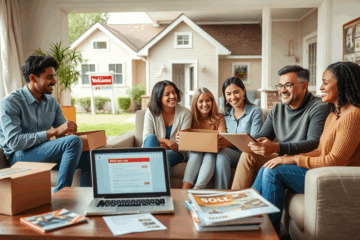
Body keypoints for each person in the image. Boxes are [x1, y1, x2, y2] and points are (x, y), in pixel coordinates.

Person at [252, 61, 360, 232]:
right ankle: (247, 215)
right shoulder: (334, 115)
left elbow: (335, 160)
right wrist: (288, 159)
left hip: (336, 179)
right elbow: (320, 150)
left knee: (274, 171)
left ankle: (268, 231)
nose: (321, 88)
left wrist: (295, 158)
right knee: (270, 166)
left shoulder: (353, 116)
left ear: (343, 83)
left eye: (326, 83)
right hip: (321, 171)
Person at [0, 55, 92, 193]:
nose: (54, 81)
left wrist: (68, 131)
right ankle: (62, 195)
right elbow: (14, 142)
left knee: (90, 157)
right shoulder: (11, 102)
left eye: (54, 76)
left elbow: (63, 132)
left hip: (44, 152)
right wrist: (54, 132)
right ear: (33, 78)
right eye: (49, 77)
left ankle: (86, 198)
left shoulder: (51, 102)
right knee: (73, 142)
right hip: (19, 156)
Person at [231, 65, 330, 190]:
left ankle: (250, 203)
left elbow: (314, 143)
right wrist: (246, 141)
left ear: (303, 87)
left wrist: (277, 147)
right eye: (280, 86)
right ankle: (235, 200)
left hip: (300, 162)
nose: (282, 90)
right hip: (283, 158)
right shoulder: (278, 109)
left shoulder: (319, 107)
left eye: (288, 85)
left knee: (268, 165)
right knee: (248, 155)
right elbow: (263, 136)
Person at [215, 77, 264, 189]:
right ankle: (221, 194)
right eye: (228, 94)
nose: (233, 97)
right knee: (221, 154)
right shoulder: (224, 114)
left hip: (248, 155)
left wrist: (229, 143)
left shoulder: (255, 111)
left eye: (236, 92)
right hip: (230, 155)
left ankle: (223, 193)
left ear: (244, 91)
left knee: (223, 154)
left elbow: (254, 141)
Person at [142, 80, 192, 175]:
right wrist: (167, 142)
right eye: (167, 94)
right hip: (154, 148)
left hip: (177, 153)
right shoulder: (151, 112)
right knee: (151, 138)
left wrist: (161, 144)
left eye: (174, 92)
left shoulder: (185, 113)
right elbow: (147, 138)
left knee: (162, 156)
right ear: (159, 98)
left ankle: (149, 185)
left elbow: (182, 144)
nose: (172, 96)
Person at [181, 88, 226, 189]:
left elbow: (222, 135)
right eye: (201, 101)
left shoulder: (219, 117)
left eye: (208, 100)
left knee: (210, 154)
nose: (205, 104)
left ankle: (197, 189)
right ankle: (184, 190)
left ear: (212, 101)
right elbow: (184, 134)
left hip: (211, 152)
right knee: (197, 153)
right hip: (194, 152)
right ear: (195, 103)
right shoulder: (190, 117)